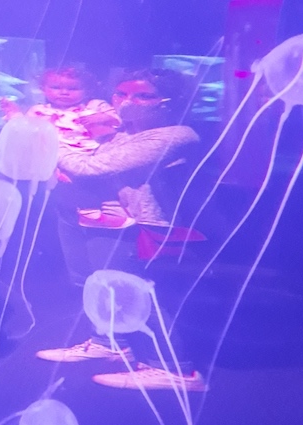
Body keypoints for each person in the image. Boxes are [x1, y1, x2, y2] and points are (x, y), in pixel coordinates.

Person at [36, 68, 206, 391]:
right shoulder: (123, 130)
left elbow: (93, 167)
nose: (128, 102)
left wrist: (47, 137)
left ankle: (174, 367)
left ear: (170, 102)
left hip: (141, 223)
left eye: (143, 95)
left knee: (136, 289)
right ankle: (109, 341)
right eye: (122, 94)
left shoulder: (175, 134)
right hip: (99, 215)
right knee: (96, 282)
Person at [1, 66, 121, 154]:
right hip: (48, 155)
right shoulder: (39, 110)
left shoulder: (95, 105)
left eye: (73, 89)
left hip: (91, 152)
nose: (64, 92)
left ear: (87, 91)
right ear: (43, 89)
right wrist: (14, 114)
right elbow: (24, 130)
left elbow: (120, 121)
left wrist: (104, 117)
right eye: (56, 88)